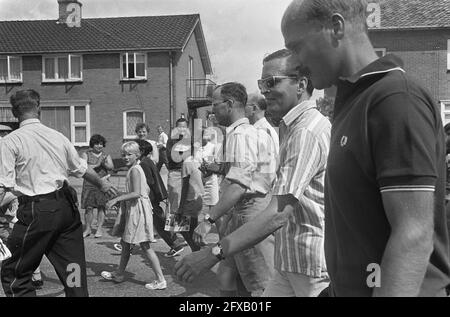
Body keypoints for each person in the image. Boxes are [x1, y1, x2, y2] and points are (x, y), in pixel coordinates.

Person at [281, 0, 450, 296]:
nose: (292, 64)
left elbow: (413, 235)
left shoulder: (395, 99)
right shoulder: (355, 101)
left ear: (336, 27)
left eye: (297, 47)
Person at [175, 52, 331, 297]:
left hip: (307, 265)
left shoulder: (305, 132)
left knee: (254, 284)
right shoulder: (289, 129)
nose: (264, 91)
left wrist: (212, 248)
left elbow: (277, 211)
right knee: (235, 278)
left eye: (271, 82)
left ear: (301, 84)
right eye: (261, 84)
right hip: (290, 258)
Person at [0, 89, 117, 297]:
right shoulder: (58, 137)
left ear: (14, 112)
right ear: (39, 108)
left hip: (37, 211)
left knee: (14, 271)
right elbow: (81, 169)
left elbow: (3, 186)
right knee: (73, 269)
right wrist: (103, 185)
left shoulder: (10, 141)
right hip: (65, 210)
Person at [191, 82, 277, 297]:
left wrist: (208, 221)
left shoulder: (240, 136)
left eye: (215, 103)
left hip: (250, 211)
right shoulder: (249, 132)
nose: (212, 109)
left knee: (259, 284)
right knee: (231, 275)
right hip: (245, 210)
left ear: (229, 104)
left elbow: (239, 185)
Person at [101, 141, 166, 290]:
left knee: (145, 245)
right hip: (136, 209)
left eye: (129, 154)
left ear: (137, 155)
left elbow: (137, 193)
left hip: (138, 211)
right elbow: (143, 191)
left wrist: (117, 199)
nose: (125, 157)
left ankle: (161, 279)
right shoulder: (135, 168)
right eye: (123, 154)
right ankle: (119, 273)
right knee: (125, 243)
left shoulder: (136, 169)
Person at [164, 117, 191, 257]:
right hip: (176, 173)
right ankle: (175, 239)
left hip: (187, 173)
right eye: (179, 127)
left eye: (184, 127)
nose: (182, 129)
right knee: (174, 206)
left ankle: (181, 238)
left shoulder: (189, 141)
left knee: (184, 205)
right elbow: (173, 157)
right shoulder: (172, 141)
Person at [81, 134, 114, 238]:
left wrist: (105, 164)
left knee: (101, 207)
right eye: (97, 144)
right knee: (89, 207)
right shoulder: (85, 153)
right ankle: (88, 229)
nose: (99, 146)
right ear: (92, 144)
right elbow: (84, 167)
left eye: (101, 144)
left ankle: (99, 229)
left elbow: (111, 167)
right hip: (89, 183)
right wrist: (98, 164)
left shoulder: (106, 155)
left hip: (102, 183)